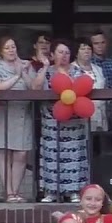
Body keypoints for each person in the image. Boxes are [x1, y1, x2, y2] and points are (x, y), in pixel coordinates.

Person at [35, 40, 91, 202]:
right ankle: (51, 192)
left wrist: (65, 76)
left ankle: (74, 191)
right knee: (51, 156)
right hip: (51, 122)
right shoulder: (46, 71)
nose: (64, 56)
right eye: (60, 52)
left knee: (74, 157)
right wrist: (45, 66)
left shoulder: (77, 71)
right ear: (52, 54)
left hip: (73, 123)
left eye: (67, 52)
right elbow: (36, 87)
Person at [0, 37, 37, 202]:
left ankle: (15, 191)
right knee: (5, 152)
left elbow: (34, 87)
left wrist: (24, 72)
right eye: (7, 48)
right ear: (0, 51)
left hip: (22, 113)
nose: (11, 50)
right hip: (3, 114)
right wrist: (16, 76)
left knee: (21, 153)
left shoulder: (25, 64)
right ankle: (9, 193)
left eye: (13, 47)